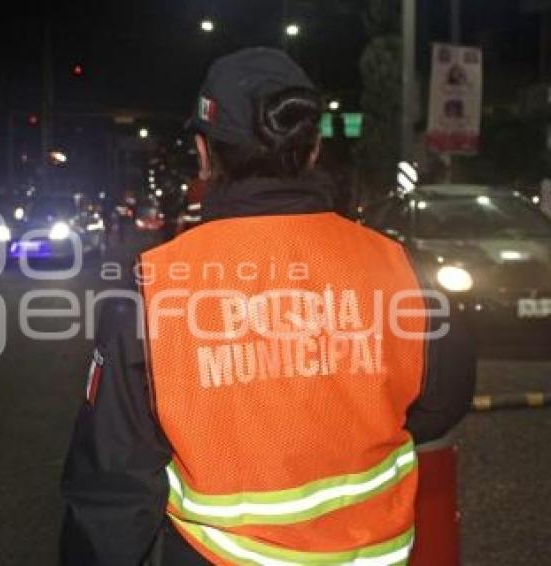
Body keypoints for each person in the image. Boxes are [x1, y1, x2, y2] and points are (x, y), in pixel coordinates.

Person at [60, 48, 476, 566]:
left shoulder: (154, 288)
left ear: (204, 152)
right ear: (313, 148)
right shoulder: (399, 265)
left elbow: (113, 485)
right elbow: (444, 397)